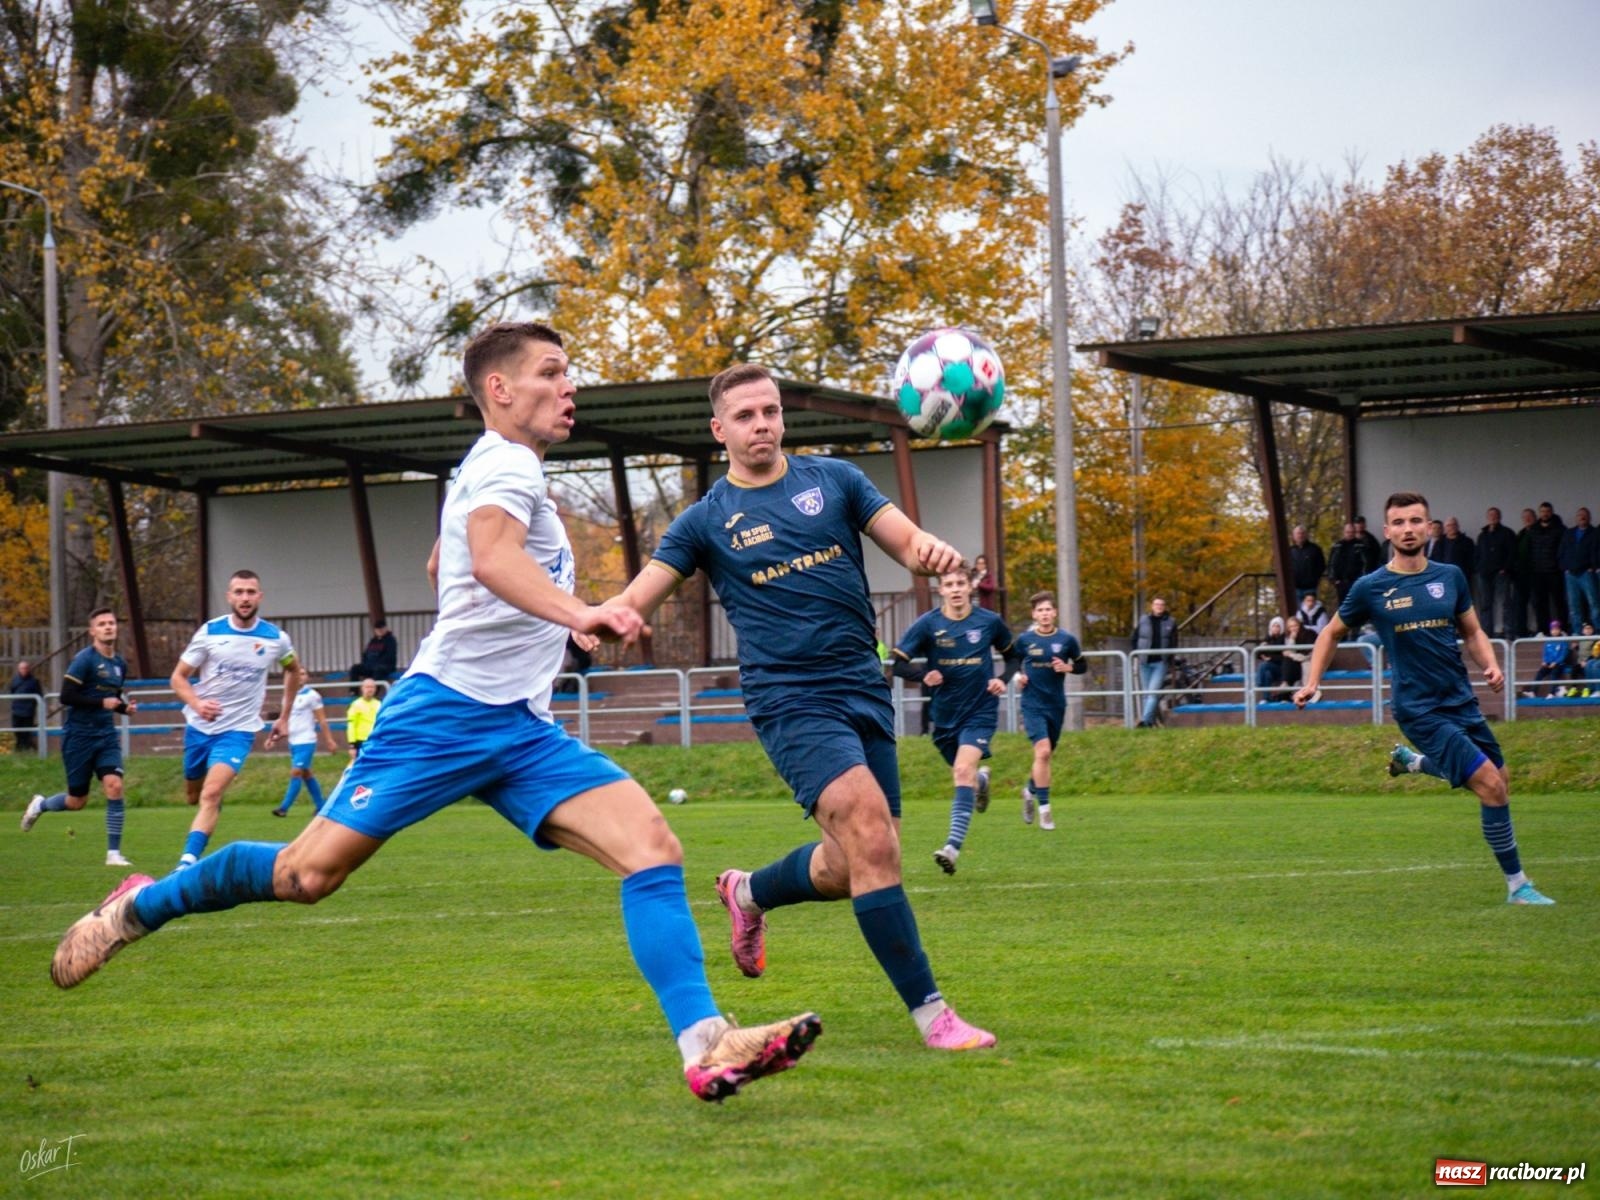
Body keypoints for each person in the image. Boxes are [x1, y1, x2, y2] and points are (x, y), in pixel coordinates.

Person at [50, 321, 820, 1103]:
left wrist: (495, 583)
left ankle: (708, 1044)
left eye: (568, 373)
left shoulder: (498, 474)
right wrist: (581, 612)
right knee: (305, 875)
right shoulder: (506, 465)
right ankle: (137, 907)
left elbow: (452, 559)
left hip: (520, 730)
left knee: (652, 848)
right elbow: (489, 560)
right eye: (551, 373)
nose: (568, 387)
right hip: (442, 717)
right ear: (500, 389)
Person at [611, 361, 996, 1052]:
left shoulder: (836, 481)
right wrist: (599, 618)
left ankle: (750, 891)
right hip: (790, 698)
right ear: (719, 429)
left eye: (770, 411)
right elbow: (639, 595)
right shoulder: (705, 521)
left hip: (862, 685)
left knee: (855, 865)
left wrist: (931, 552)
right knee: (873, 837)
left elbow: (903, 540)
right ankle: (933, 1016)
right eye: (746, 416)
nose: (761, 425)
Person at [1293, 490, 1554, 906]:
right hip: (1418, 707)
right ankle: (1518, 886)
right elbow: (1330, 632)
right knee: (1489, 786)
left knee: (1501, 781)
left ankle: (1411, 762)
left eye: (1415, 521)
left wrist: (1491, 664)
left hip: (1460, 700)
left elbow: (1472, 631)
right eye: (1399, 522)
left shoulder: (1449, 576)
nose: (1408, 529)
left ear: (1428, 526)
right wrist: (1312, 681)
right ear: (1387, 531)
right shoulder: (1370, 587)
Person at [168, 570, 303, 871]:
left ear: (260, 596)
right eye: (239, 592)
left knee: (212, 793)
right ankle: (210, 807)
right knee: (194, 796)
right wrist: (197, 703)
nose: (245, 598)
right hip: (199, 728)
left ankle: (186, 864)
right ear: (229, 596)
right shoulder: (210, 632)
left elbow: (294, 670)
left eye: (250, 592)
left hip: (238, 730)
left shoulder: (275, 639)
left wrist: (284, 716)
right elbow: (178, 678)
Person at [892, 567, 1018, 873]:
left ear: (970, 587)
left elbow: (1014, 656)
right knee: (966, 773)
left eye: (961, 583)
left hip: (981, 710)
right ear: (941, 590)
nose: (956, 588)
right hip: (944, 715)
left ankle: (952, 847)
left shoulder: (989, 622)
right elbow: (897, 665)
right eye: (950, 584)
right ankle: (981, 781)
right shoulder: (928, 624)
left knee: (962, 770)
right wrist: (924, 675)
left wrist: (1003, 678)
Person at [20, 610, 139, 866]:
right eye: (102, 624)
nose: (108, 627)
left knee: (115, 786)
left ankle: (113, 854)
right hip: (79, 737)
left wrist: (123, 709)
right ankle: (41, 805)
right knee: (77, 801)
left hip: (106, 735)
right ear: (92, 631)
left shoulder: (120, 664)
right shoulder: (84, 660)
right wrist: (102, 702)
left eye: (111, 623)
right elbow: (66, 697)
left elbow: (112, 698)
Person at [1012, 591, 1085, 831]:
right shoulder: (1025, 640)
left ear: (1054, 612)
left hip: (1056, 705)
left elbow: (1082, 665)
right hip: (1032, 705)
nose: (1044, 614)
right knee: (1042, 752)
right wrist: (1017, 677)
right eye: (1039, 610)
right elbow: (1011, 663)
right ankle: (1045, 811)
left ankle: (1029, 790)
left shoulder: (1066, 640)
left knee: (1045, 756)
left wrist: (1068, 667)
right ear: (1034, 614)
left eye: (1048, 610)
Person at [271, 684, 336, 818]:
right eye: (298, 673)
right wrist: (274, 737)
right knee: (306, 774)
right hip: (293, 741)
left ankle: (283, 808)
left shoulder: (312, 695)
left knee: (296, 772)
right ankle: (321, 806)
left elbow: (322, 720)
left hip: (307, 740)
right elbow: (285, 720)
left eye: (303, 673)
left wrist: (329, 740)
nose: (300, 676)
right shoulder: (288, 695)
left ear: (306, 677)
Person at [1131, 596, 1177, 728]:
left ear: (1164, 607)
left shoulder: (1171, 622)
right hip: (1144, 661)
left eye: (1162, 604)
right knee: (1146, 693)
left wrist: (1169, 658)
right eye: (1157, 604)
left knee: (1152, 692)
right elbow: (1134, 638)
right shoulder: (1143, 620)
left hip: (1160, 662)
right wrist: (1137, 654)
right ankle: (1149, 722)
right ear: (1152, 606)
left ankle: (1145, 721)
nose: (1159, 607)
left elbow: (1174, 642)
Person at [1475, 507, 1516, 640]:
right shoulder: (1482, 535)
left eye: (1495, 515)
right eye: (1491, 515)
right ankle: (1487, 633)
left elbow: (1512, 553)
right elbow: (1478, 553)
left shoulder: (1507, 533)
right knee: (1485, 604)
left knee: (1505, 602)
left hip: (1501, 573)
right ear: (1487, 517)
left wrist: (1505, 568)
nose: (1493, 517)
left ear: (1500, 517)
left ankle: (1509, 632)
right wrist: (1478, 568)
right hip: (1484, 573)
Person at [1557, 506, 1598, 633]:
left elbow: (1597, 551)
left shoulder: (1595, 532)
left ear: (1589, 518)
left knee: (1594, 603)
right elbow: (1561, 551)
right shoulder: (1569, 533)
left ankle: (1597, 630)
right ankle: (1576, 632)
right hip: (1570, 574)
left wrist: (1593, 567)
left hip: (1586, 572)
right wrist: (1564, 567)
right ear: (1576, 518)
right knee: (1574, 605)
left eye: (1585, 515)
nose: (1582, 517)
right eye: (1580, 515)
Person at [1527, 502, 1566, 633]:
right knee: (1540, 604)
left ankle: (1563, 629)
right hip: (1537, 572)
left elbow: (1563, 550)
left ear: (1552, 512)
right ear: (1539, 513)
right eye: (1542, 511)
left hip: (1555, 572)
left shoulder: (1560, 529)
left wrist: (1559, 566)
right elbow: (1530, 550)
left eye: (1547, 511)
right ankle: (1543, 630)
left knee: (1559, 602)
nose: (1545, 514)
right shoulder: (1533, 529)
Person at [1528, 621, 1578, 697]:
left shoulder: (1564, 640)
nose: (1554, 631)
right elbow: (1546, 653)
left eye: (1556, 629)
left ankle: (1552, 693)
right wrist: (1545, 661)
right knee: (1540, 672)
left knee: (1554, 673)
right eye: (1553, 629)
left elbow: (1563, 654)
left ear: (1560, 630)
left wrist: (1556, 662)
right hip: (1549, 663)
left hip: (1560, 664)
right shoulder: (1548, 641)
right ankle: (1533, 692)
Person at [8, 659, 45, 753]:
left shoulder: (34, 681)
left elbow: (39, 694)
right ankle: (20, 748)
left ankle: (26, 748)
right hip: (16, 710)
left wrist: (32, 706)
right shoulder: (15, 680)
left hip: (28, 711)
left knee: (27, 731)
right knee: (17, 730)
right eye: (21, 668)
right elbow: (11, 691)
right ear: (18, 669)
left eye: (25, 668)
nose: (23, 670)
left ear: (28, 669)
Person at [1326, 523, 1367, 606]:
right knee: (1342, 606)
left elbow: (1366, 563)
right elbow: (1331, 563)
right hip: (1340, 582)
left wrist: (1362, 579)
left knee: (1355, 605)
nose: (1350, 534)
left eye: (1352, 532)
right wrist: (1333, 579)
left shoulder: (1361, 546)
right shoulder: (1337, 546)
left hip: (1355, 582)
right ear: (1344, 532)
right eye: (1348, 532)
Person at [349, 617, 398, 682]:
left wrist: (376, 664)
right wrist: (366, 664)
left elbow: (390, 656)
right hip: (370, 666)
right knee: (354, 668)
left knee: (378, 671)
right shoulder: (373, 641)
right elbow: (366, 654)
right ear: (375, 630)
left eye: (382, 628)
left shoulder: (391, 640)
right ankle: (354, 691)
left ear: (385, 628)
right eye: (378, 629)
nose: (380, 630)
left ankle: (374, 691)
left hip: (385, 667)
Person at [345, 677, 381, 759]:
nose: (370, 689)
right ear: (362, 688)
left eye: (372, 687)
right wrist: (352, 745)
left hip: (376, 739)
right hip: (361, 741)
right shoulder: (355, 705)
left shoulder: (379, 704)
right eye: (367, 687)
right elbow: (351, 725)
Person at [1288, 525, 1326, 602]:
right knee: (1297, 612)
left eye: (1302, 533)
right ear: (1294, 536)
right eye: (1298, 533)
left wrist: (1314, 578)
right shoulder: (1290, 551)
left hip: (1310, 587)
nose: (1300, 536)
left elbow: (1322, 565)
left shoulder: (1315, 549)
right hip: (1295, 587)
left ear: (1306, 535)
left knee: (1310, 611)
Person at [1255, 615, 1288, 700]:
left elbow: (1284, 657)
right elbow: (1257, 654)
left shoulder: (1284, 639)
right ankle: (1266, 698)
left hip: (1281, 668)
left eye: (1278, 626)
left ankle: (1259, 683)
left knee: (1264, 665)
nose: (1275, 628)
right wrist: (1263, 650)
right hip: (1270, 668)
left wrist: (1270, 657)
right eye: (1274, 626)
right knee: (1267, 674)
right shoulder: (1268, 638)